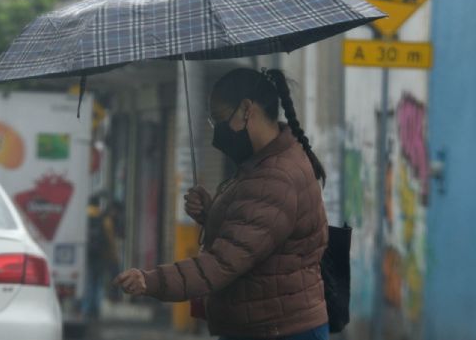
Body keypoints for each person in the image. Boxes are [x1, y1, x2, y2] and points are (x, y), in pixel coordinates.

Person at [113, 68, 329, 340]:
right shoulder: (266, 162)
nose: (217, 132)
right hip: (268, 323)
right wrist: (211, 212)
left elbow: (224, 262)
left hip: (278, 329)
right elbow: (254, 232)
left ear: (246, 110)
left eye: (218, 120)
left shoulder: (276, 176)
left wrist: (150, 281)